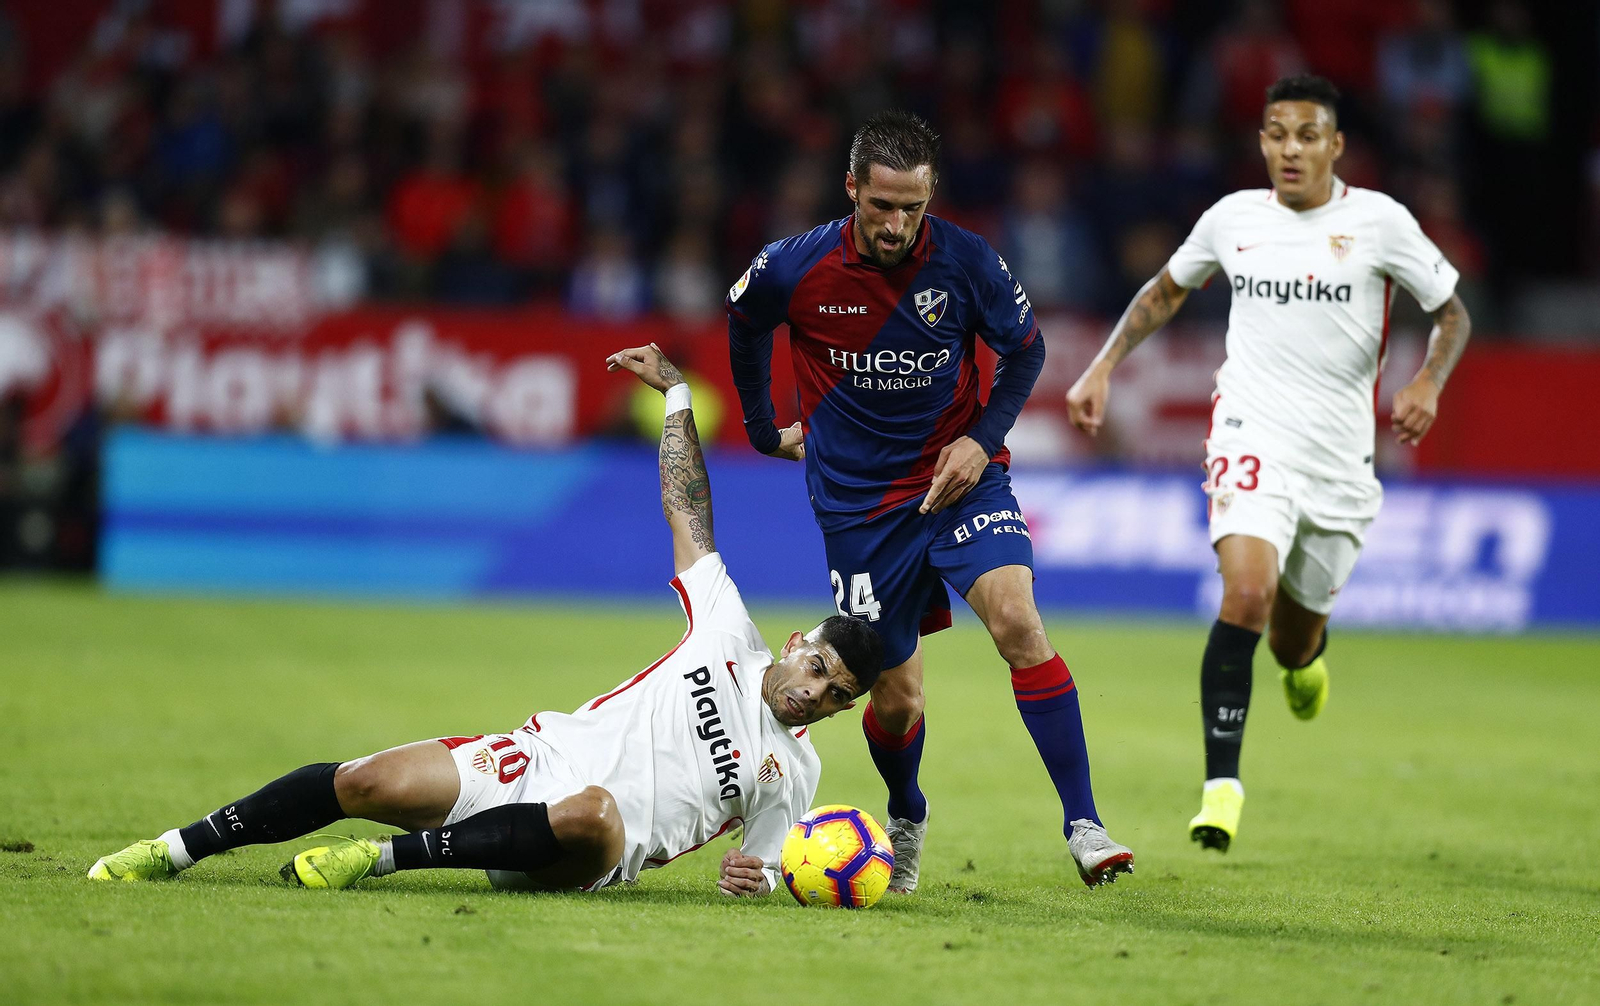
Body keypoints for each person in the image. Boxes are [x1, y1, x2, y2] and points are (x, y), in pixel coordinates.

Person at [88, 344, 884, 897]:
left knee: (596, 811)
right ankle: (171, 849)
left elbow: (760, 869)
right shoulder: (725, 630)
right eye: (820, 669)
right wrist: (677, 394)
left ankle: (379, 862)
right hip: (534, 760)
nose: (818, 694)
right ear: (795, 644)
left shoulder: (795, 777)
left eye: (838, 695)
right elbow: (687, 508)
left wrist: (756, 879)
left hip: (587, 849)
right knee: (365, 779)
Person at [727, 110, 1134, 889]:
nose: (897, 223)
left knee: (1017, 619)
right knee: (897, 695)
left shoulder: (967, 261)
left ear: (930, 195)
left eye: (912, 207)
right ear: (851, 189)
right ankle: (906, 812)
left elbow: (1026, 350)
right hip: (858, 512)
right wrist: (756, 428)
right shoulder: (795, 266)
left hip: (960, 482)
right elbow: (744, 318)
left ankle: (1085, 825)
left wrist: (982, 437)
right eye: (882, 205)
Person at [1066, 75, 1471, 852]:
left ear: (1336, 146)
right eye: (1277, 133)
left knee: (1288, 638)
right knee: (1245, 595)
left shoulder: (1379, 222)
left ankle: (1306, 658)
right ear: (1261, 142)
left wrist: (1426, 379)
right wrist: (1102, 367)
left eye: (1308, 134)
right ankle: (1222, 788)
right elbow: (1163, 292)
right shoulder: (1232, 219)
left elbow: (1451, 311)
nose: (1291, 148)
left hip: (1341, 461)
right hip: (1252, 433)